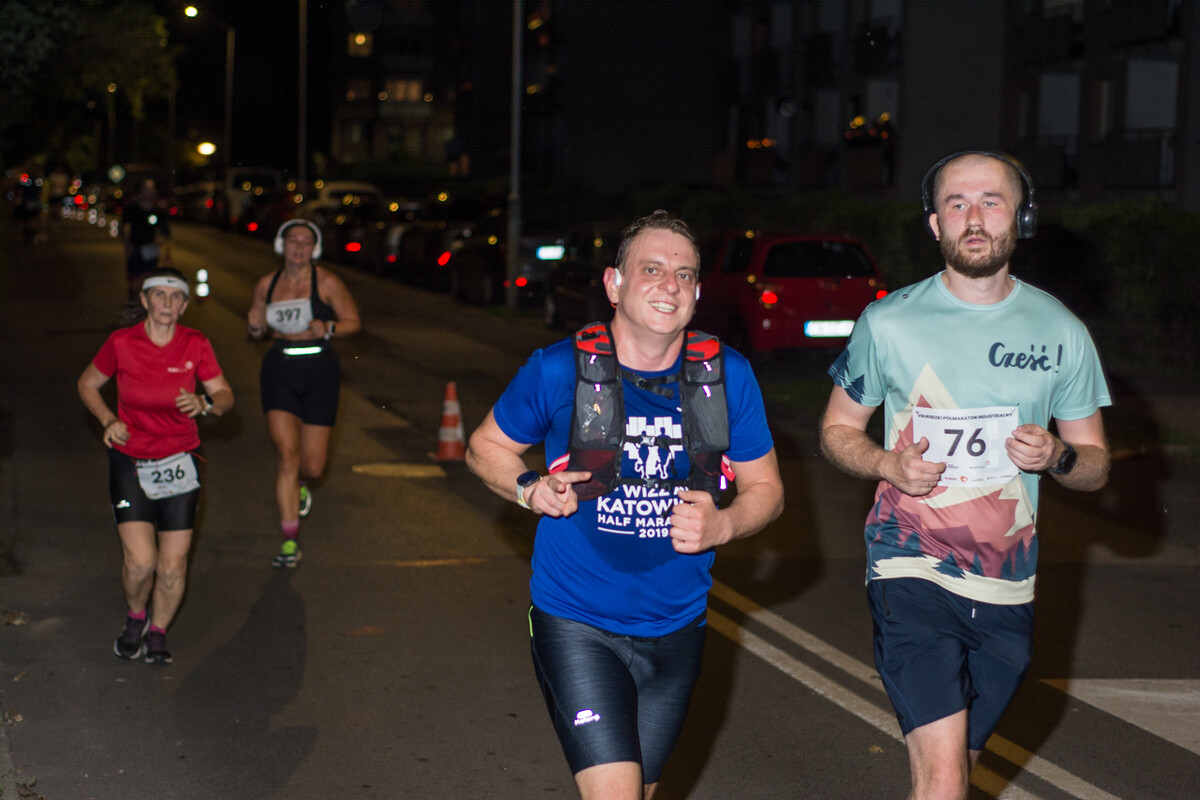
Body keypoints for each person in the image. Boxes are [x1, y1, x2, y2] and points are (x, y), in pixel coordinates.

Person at [819, 151, 1111, 800]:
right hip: (910, 564)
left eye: (991, 201)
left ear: (1022, 218)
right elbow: (837, 429)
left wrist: (1058, 457)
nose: (973, 218)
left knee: (952, 774)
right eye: (957, 204)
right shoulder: (888, 321)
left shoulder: (1061, 330)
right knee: (946, 777)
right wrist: (886, 464)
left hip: (1008, 582)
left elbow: (1093, 464)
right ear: (935, 224)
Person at [466, 210, 784, 799]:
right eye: (652, 269)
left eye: (685, 275)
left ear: (697, 293)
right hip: (576, 622)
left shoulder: (728, 376)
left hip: (678, 626)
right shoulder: (558, 369)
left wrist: (723, 524)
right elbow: (484, 447)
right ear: (614, 284)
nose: (671, 285)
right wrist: (530, 487)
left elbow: (767, 489)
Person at [77, 268, 234, 665]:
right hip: (131, 461)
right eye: (159, 295)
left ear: (184, 305)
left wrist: (206, 403)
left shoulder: (195, 343)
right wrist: (108, 420)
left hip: (181, 461)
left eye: (175, 296)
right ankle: (136, 617)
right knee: (141, 561)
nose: (167, 303)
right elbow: (87, 383)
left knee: (173, 564)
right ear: (145, 301)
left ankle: (158, 633)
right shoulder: (121, 342)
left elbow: (225, 395)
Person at [247, 219, 361, 568]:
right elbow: (256, 329)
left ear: (315, 248)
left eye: (306, 241)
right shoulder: (267, 284)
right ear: (281, 245)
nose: (298, 246)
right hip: (280, 368)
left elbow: (353, 322)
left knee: (312, 466)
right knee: (286, 455)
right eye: (292, 240)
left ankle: (301, 485)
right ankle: (290, 541)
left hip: (319, 370)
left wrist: (329, 326)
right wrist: (254, 326)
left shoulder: (326, 282)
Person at [121, 179, 171, 299]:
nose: (148, 193)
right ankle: (132, 303)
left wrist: (160, 241)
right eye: (145, 189)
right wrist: (127, 244)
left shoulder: (157, 211)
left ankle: (146, 306)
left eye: (150, 190)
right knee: (134, 284)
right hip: (135, 249)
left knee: (149, 283)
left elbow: (166, 232)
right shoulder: (132, 209)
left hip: (150, 251)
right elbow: (122, 227)